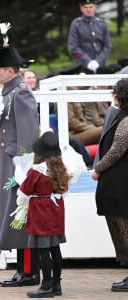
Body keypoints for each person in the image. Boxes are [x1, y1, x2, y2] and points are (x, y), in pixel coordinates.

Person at [0, 22, 40, 287]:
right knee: (13, 212)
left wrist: (24, 166)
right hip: (8, 159)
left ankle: (28, 270)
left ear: (10, 70)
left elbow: (27, 133)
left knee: (20, 211)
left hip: (17, 161)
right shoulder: (8, 93)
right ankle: (23, 269)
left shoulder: (21, 93)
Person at [14, 131, 71, 298]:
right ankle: (56, 284)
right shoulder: (60, 169)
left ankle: (45, 285)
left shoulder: (36, 171)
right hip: (56, 211)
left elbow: (23, 193)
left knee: (43, 250)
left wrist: (21, 205)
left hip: (41, 212)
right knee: (55, 248)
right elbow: (64, 190)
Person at [91, 78, 128, 292]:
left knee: (123, 229)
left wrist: (98, 169)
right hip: (118, 182)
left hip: (120, 183)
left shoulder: (126, 120)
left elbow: (117, 150)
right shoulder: (120, 116)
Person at [67, 0, 112, 74]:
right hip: (82, 67)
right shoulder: (76, 24)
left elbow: (107, 46)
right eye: (86, 7)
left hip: (100, 66)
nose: (88, 9)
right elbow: (73, 47)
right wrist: (87, 62)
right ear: (81, 8)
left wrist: (98, 61)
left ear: (95, 7)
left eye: (91, 7)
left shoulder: (102, 24)